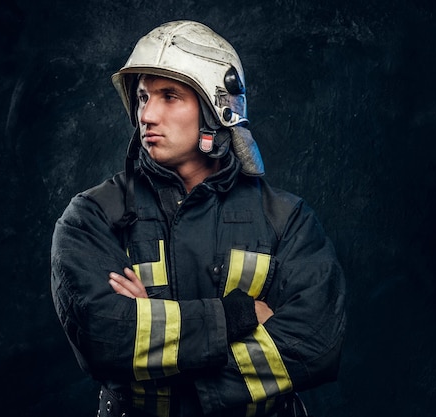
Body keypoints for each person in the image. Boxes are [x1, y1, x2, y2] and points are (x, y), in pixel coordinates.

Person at [51, 20, 346, 417]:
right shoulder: (91, 218)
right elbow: (105, 340)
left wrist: (154, 336)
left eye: (170, 96)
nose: (147, 115)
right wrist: (240, 315)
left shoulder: (287, 220)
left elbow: (317, 345)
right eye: (142, 97)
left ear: (217, 110)